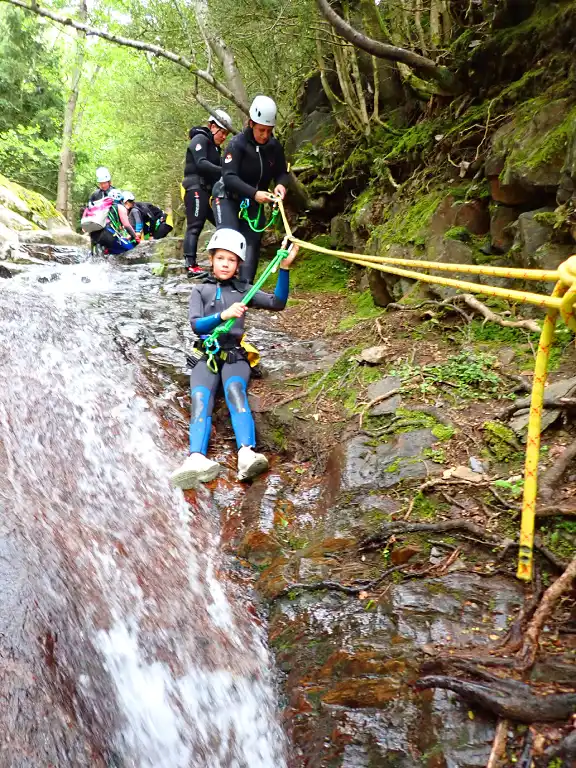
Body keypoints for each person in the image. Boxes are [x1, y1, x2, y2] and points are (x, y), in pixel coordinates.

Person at [170, 228, 298, 489]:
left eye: (231, 259)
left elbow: (277, 302)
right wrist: (224, 316)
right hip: (207, 354)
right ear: (212, 260)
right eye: (220, 258)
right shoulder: (201, 290)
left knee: (235, 391)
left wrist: (284, 269)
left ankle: (246, 453)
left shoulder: (244, 291)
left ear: (238, 264)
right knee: (200, 398)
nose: (225, 264)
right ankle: (196, 458)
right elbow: (196, 325)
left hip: (234, 356)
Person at [212, 96, 290, 284]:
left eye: (269, 131)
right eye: (261, 130)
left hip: (255, 201)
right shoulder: (237, 144)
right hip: (228, 197)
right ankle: (220, 288)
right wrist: (254, 193)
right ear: (251, 124)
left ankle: (245, 289)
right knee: (228, 241)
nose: (265, 135)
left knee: (252, 243)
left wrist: (281, 185)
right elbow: (229, 177)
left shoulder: (274, 147)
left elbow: (281, 172)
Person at [183, 110, 232, 277]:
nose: (224, 136)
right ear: (212, 126)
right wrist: (225, 170)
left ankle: (223, 263)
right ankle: (190, 265)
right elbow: (201, 163)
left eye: (226, 133)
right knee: (195, 226)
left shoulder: (216, 149)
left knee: (222, 224)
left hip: (208, 192)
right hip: (195, 188)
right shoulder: (200, 139)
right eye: (222, 132)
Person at [95, 189, 138, 255]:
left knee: (104, 254)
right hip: (109, 232)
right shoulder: (120, 207)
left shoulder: (103, 207)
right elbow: (126, 225)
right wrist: (135, 237)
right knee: (130, 248)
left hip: (97, 234)